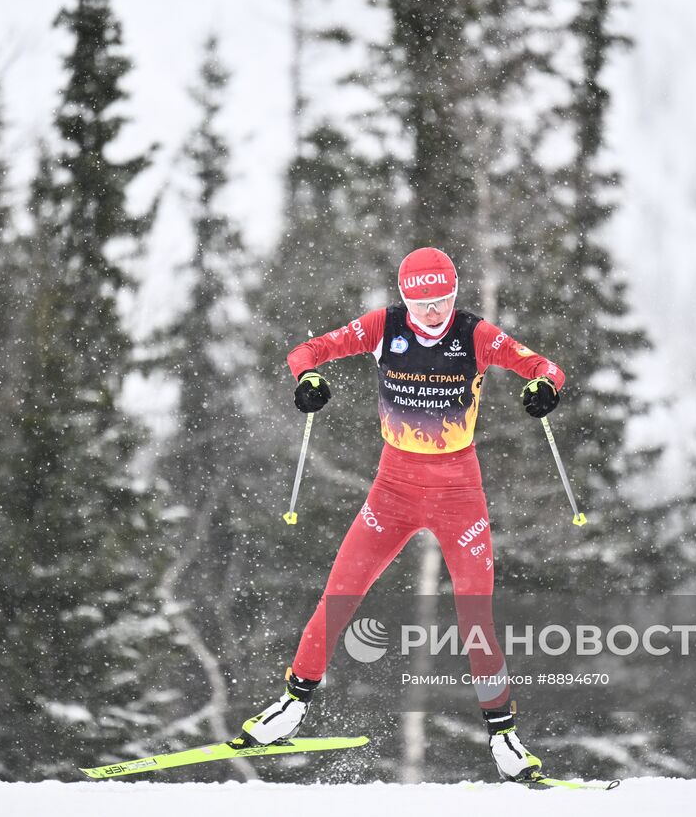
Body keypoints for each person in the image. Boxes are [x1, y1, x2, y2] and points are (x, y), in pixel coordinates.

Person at [234, 247, 564, 782]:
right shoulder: (383, 327)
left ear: (454, 297)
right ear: (405, 297)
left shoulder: (475, 335)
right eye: (420, 301)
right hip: (393, 492)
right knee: (340, 594)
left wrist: (543, 386)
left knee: (474, 616)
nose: (432, 312)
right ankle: (292, 704)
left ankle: (504, 735)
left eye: (442, 300)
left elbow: (544, 366)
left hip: (461, 497)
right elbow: (307, 351)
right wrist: (308, 380)